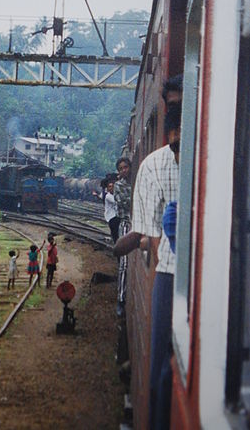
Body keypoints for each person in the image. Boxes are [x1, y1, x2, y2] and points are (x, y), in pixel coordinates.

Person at [114, 104, 181, 430]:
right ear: (169, 138)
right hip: (169, 272)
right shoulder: (153, 167)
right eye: (178, 146)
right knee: (160, 377)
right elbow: (146, 236)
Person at [113, 157, 132, 316]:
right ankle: (120, 299)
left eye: (126, 167)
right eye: (121, 168)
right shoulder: (118, 186)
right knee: (124, 263)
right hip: (126, 224)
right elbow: (125, 203)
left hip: (136, 222)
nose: (124, 170)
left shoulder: (135, 182)